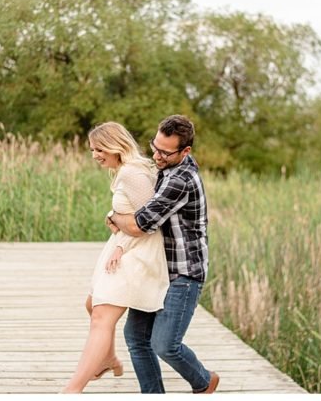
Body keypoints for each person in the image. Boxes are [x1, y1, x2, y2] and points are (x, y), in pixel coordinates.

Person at [108, 114, 219, 394]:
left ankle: (204, 381)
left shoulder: (181, 179)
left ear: (186, 151)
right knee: (135, 337)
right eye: (154, 146)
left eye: (165, 152)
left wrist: (114, 216)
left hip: (183, 273)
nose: (156, 155)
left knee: (164, 344)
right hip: (156, 269)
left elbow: (138, 224)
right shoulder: (165, 167)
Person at [61, 122, 170, 394]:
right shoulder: (124, 171)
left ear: (115, 146)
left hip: (139, 253)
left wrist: (121, 242)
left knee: (101, 315)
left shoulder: (133, 173)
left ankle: (72, 389)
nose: (95, 155)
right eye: (92, 150)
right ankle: (107, 358)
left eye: (99, 148)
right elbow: (134, 217)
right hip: (124, 246)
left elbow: (150, 223)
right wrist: (116, 225)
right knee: (92, 304)